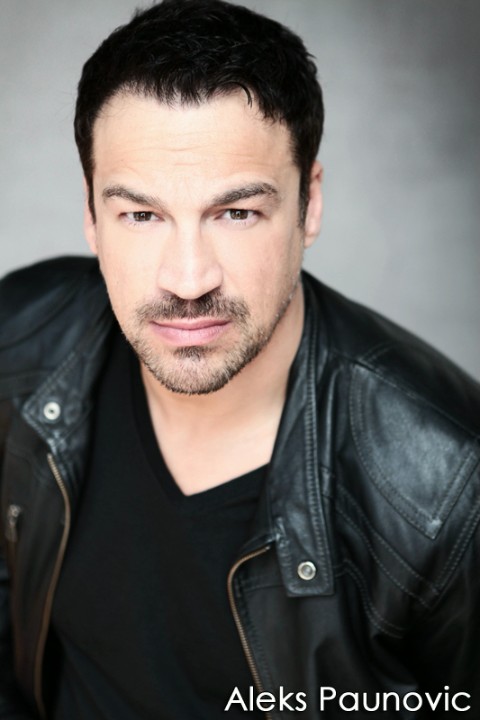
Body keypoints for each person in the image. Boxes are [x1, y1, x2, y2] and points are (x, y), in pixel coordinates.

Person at [0, 0, 479, 718]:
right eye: (141, 215)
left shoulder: (448, 489)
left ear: (309, 206)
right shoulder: (20, 339)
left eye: (237, 213)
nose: (188, 279)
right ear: (92, 216)